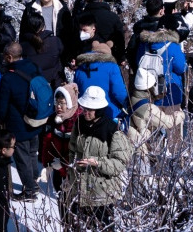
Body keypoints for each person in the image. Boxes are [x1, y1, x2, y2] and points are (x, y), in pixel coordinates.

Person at [65, 86, 134, 230]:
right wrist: (71, 174)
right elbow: (72, 150)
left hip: (102, 195)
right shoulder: (79, 124)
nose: (86, 112)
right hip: (79, 191)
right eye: (84, 108)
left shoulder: (112, 130)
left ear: (99, 110)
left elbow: (120, 163)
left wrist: (97, 163)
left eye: (90, 109)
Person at [0, 43, 44, 201]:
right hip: (36, 119)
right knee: (32, 153)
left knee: (22, 159)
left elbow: (2, 104)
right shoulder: (34, 66)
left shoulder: (8, 77)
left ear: (9, 57)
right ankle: (34, 181)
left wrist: (0, 120)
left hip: (18, 124)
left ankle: (29, 191)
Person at [129, 28, 187, 144]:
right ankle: (174, 149)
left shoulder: (145, 45)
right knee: (173, 124)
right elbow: (181, 67)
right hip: (170, 90)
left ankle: (155, 149)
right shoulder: (172, 46)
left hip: (148, 90)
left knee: (153, 125)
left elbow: (137, 62)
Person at [73, 41, 128, 123]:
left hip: (85, 113)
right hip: (109, 112)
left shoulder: (80, 68)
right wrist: (126, 104)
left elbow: (76, 92)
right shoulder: (112, 67)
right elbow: (119, 92)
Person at [40, 84, 80, 192]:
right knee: (59, 194)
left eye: (62, 103)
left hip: (73, 170)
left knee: (72, 199)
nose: (58, 106)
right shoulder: (53, 119)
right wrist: (47, 164)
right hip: (57, 166)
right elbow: (47, 143)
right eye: (57, 102)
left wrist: (63, 166)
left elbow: (78, 151)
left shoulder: (78, 121)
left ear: (70, 103)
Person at [76, 0, 125, 67]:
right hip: (109, 57)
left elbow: (74, 39)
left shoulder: (79, 18)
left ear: (86, 0)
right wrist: (121, 57)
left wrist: (74, 57)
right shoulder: (113, 17)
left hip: (86, 58)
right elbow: (120, 39)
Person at [20, 10, 64, 88]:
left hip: (35, 85)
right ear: (43, 26)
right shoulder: (55, 41)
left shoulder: (23, 46)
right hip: (55, 83)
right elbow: (62, 54)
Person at [126, 0, 165, 73]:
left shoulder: (139, 27)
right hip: (161, 70)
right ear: (161, 11)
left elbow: (131, 49)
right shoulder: (164, 27)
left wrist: (135, 67)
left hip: (141, 69)